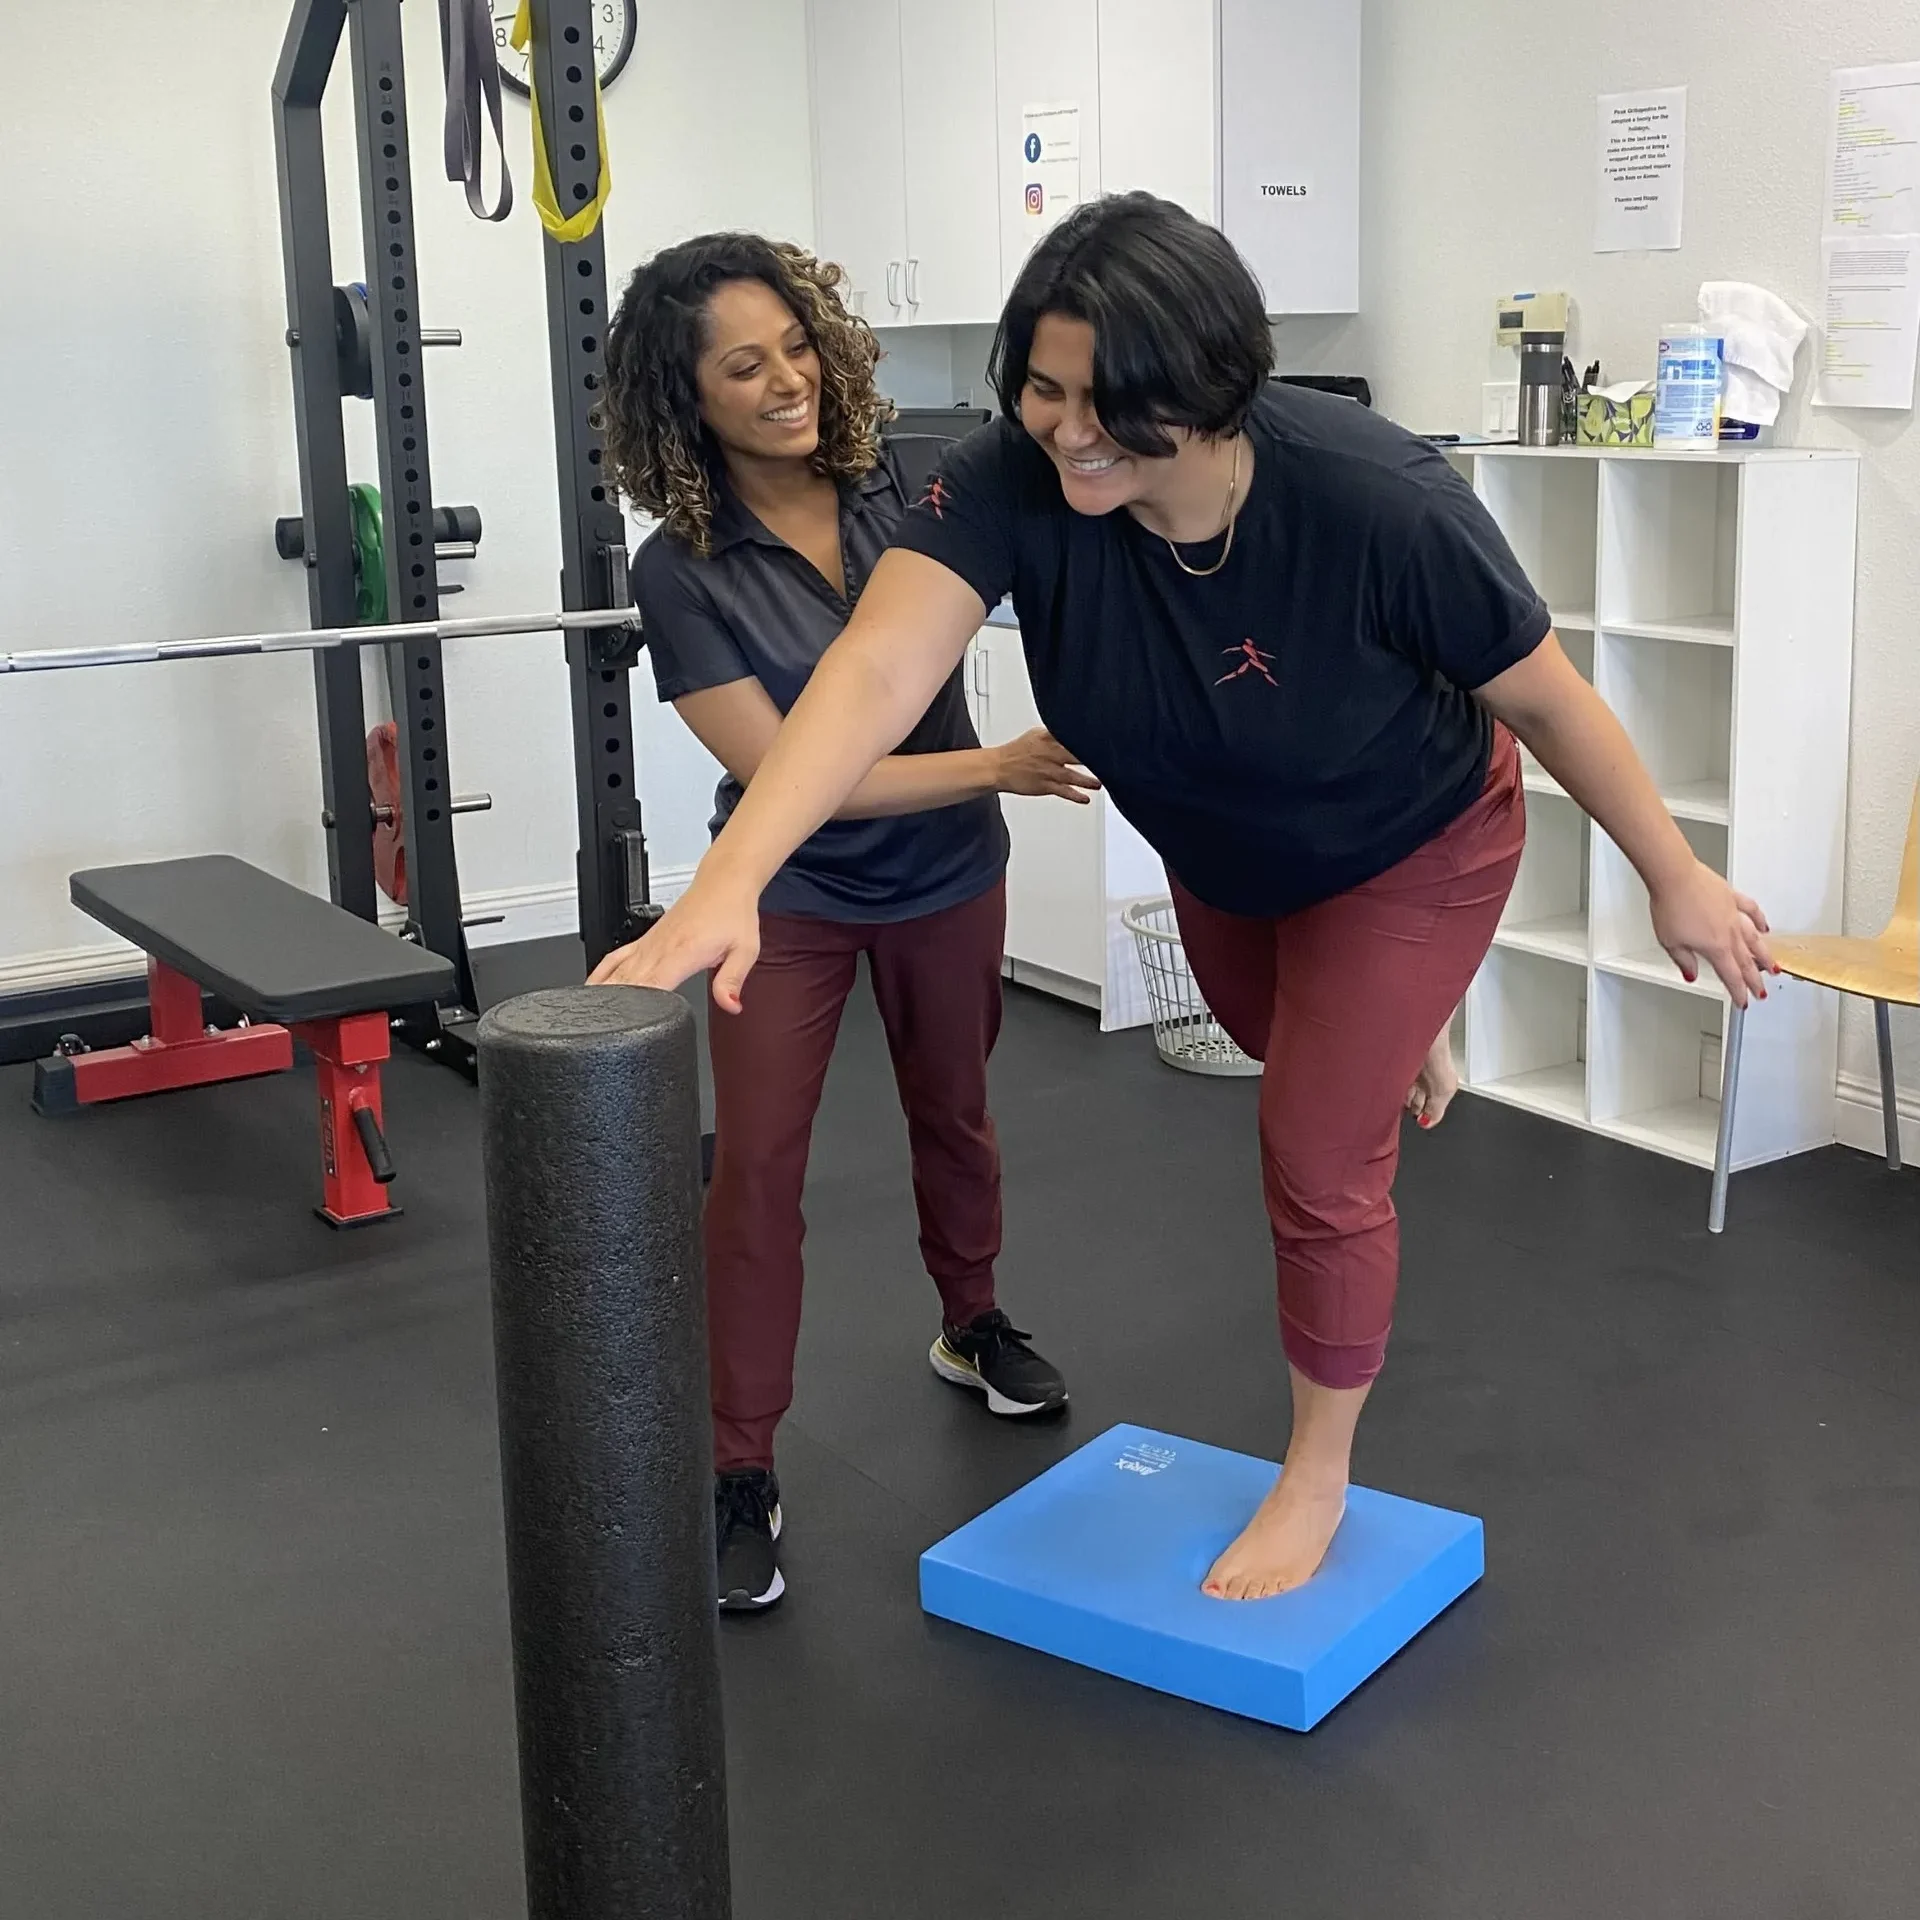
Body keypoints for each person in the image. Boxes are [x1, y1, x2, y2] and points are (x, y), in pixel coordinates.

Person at [592, 196, 1775, 1602]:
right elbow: (876, 671)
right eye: (1043, 389)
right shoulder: (1010, 478)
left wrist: (1676, 874)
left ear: (1210, 383)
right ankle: (1385, 1026)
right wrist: (728, 883)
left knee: (1316, 1148)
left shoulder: (1378, 497)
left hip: (1411, 842)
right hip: (1226, 855)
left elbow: (1549, 698)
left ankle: (1316, 1473)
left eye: (1110, 401)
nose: (1069, 430)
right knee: (1294, 1046)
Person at [601, 232, 1092, 1611]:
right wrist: (995, 764)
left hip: (949, 877)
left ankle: (971, 1323)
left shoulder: (912, 479)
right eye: (742, 368)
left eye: (796, 346)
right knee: (756, 1173)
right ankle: (739, 1464)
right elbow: (785, 777)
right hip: (790, 898)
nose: (787, 382)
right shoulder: (680, 567)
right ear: (686, 400)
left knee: (957, 1113)